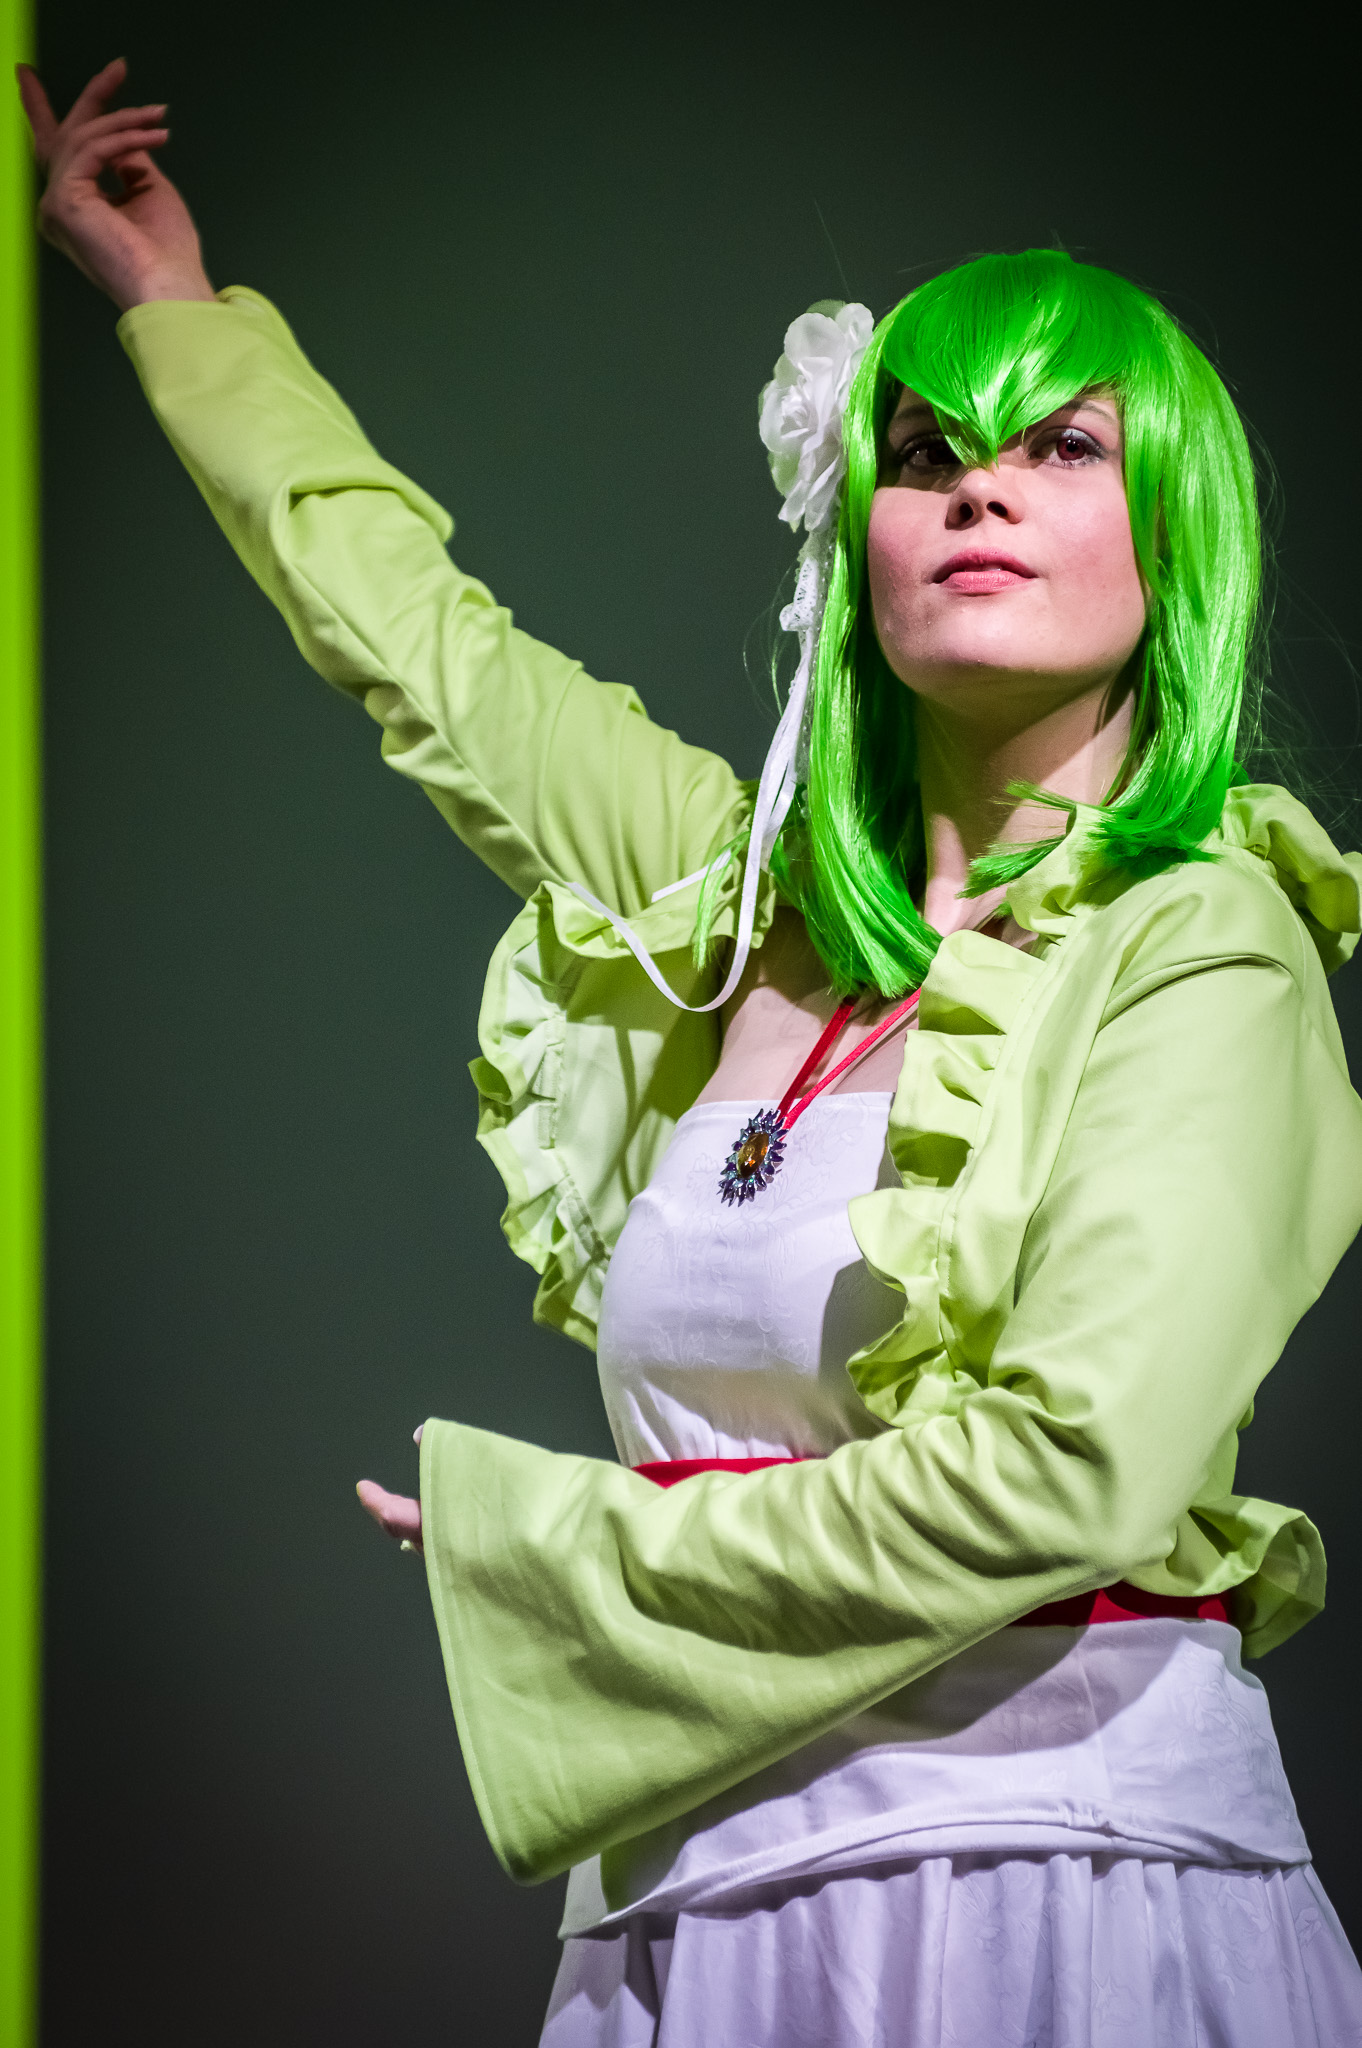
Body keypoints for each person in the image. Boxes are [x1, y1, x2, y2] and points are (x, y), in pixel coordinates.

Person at [22, 56, 1362, 2048]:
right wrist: (174, 307)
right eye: (923, 448)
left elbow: (1072, 1473)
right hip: (705, 1891)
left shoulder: (1203, 943)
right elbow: (424, 645)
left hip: (1051, 1885)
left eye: (1064, 446)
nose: (979, 487)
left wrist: (571, 1551)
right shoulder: (719, 899)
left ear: (1177, 533)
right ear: (855, 536)